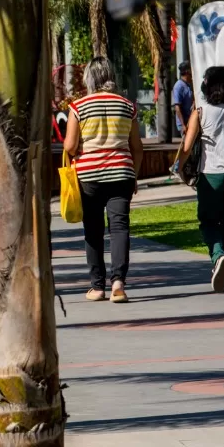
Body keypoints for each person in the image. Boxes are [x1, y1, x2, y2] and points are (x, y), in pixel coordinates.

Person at [65, 56, 143, 303]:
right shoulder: (127, 106)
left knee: (94, 229)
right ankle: (118, 282)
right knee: (120, 227)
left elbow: (69, 145)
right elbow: (137, 147)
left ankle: (97, 287)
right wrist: (134, 174)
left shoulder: (79, 107)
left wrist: (78, 149)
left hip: (89, 175)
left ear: (90, 78)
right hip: (122, 173)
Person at [179, 65, 224, 293]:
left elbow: (187, 146)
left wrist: (179, 169)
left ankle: (218, 255)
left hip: (211, 175)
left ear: (208, 86)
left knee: (209, 222)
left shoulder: (201, 112)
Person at [172, 61, 194, 137]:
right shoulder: (179, 87)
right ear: (188, 71)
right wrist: (183, 125)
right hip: (185, 123)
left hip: (191, 121)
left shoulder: (189, 84)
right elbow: (177, 107)